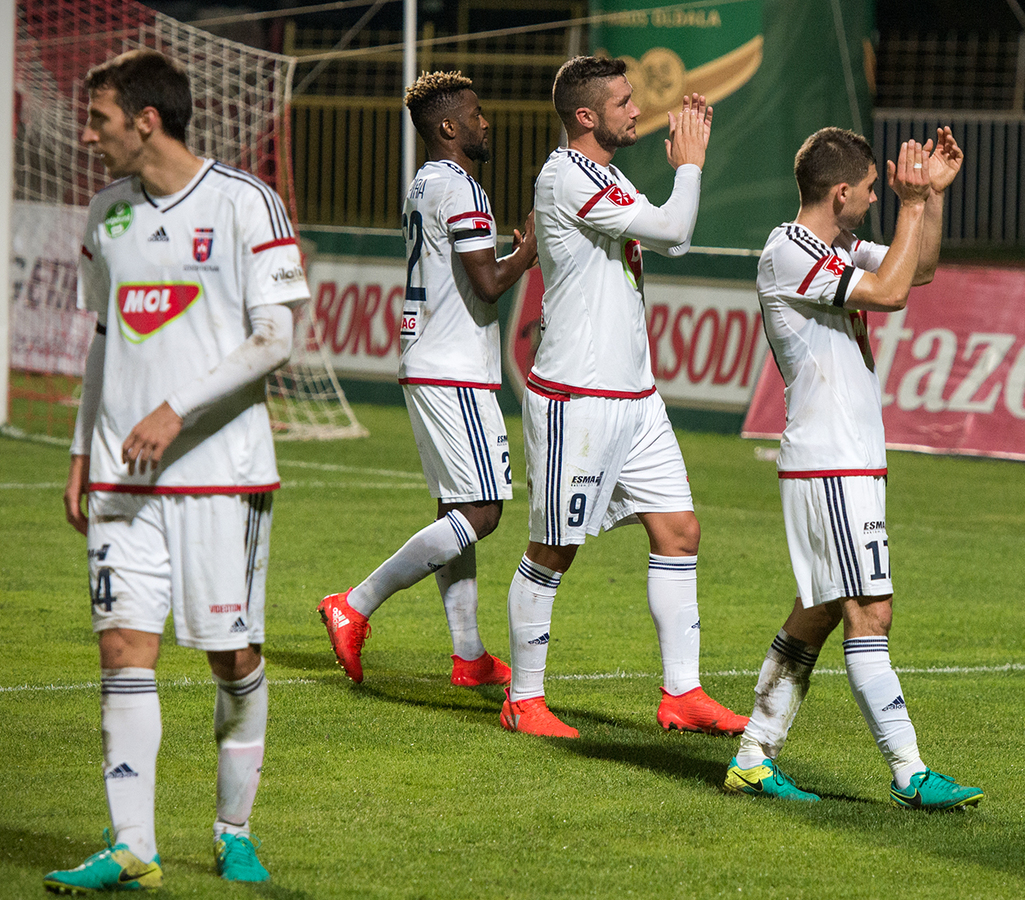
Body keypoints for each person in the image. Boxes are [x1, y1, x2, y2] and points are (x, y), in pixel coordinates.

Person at [47, 49, 309, 892]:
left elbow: (277, 338)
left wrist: (174, 411)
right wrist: (82, 452)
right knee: (123, 648)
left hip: (221, 475)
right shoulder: (106, 214)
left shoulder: (245, 203)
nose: (90, 136)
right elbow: (103, 341)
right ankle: (133, 846)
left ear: (147, 120)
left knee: (232, 658)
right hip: (123, 477)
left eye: (100, 119)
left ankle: (234, 829)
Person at [723, 126, 985, 811]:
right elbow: (891, 294)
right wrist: (910, 203)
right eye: (871, 189)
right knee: (871, 610)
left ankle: (752, 756)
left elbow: (915, 270)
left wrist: (928, 199)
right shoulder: (790, 251)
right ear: (841, 192)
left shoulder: (834, 246)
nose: (876, 197)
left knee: (817, 612)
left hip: (843, 461)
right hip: (831, 461)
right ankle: (908, 772)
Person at [498, 55, 747, 738]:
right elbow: (674, 231)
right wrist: (689, 167)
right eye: (623, 101)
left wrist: (683, 177)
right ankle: (523, 699)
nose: (638, 110)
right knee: (554, 549)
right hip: (577, 399)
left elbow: (670, 241)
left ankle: (683, 694)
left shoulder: (606, 174)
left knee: (679, 531)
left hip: (636, 399)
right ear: (586, 116)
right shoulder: (565, 176)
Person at [319, 72, 536, 687]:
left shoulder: (423, 183)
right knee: (483, 512)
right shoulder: (461, 188)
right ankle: (354, 604)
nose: (485, 122)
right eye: (475, 113)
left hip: (429, 359)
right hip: (453, 368)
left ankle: (469, 655)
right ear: (448, 127)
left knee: (456, 510)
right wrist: (529, 251)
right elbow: (487, 283)